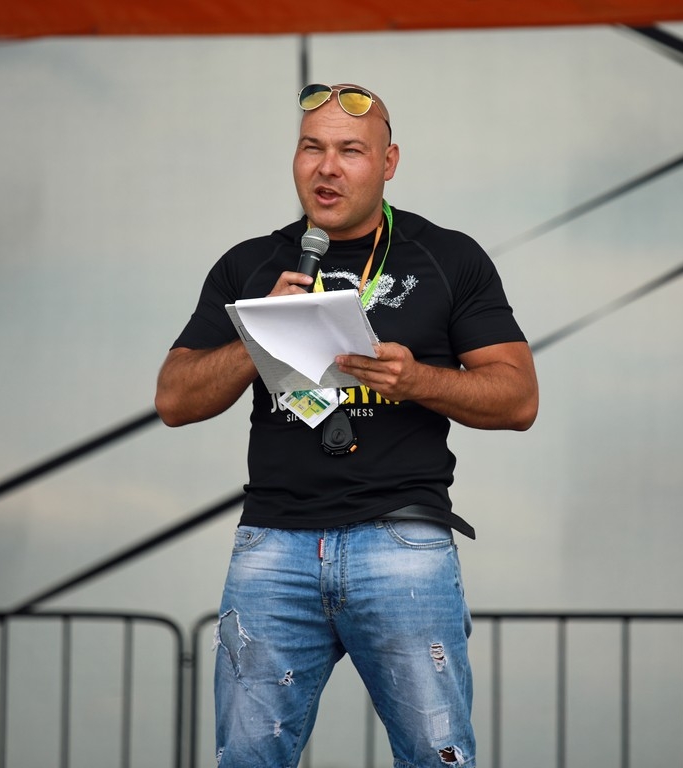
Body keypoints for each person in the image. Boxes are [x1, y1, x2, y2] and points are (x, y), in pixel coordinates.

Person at [155, 82, 538, 767]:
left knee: (437, 757)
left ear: (389, 163)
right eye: (312, 148)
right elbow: (174, 400)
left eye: (350, 151)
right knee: (248, 759)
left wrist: (415, 379)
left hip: (401, 540)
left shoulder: (448, 258)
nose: (326, 167)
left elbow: (518, 399)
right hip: (274, 541)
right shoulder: (251, 264)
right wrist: (257, 334)